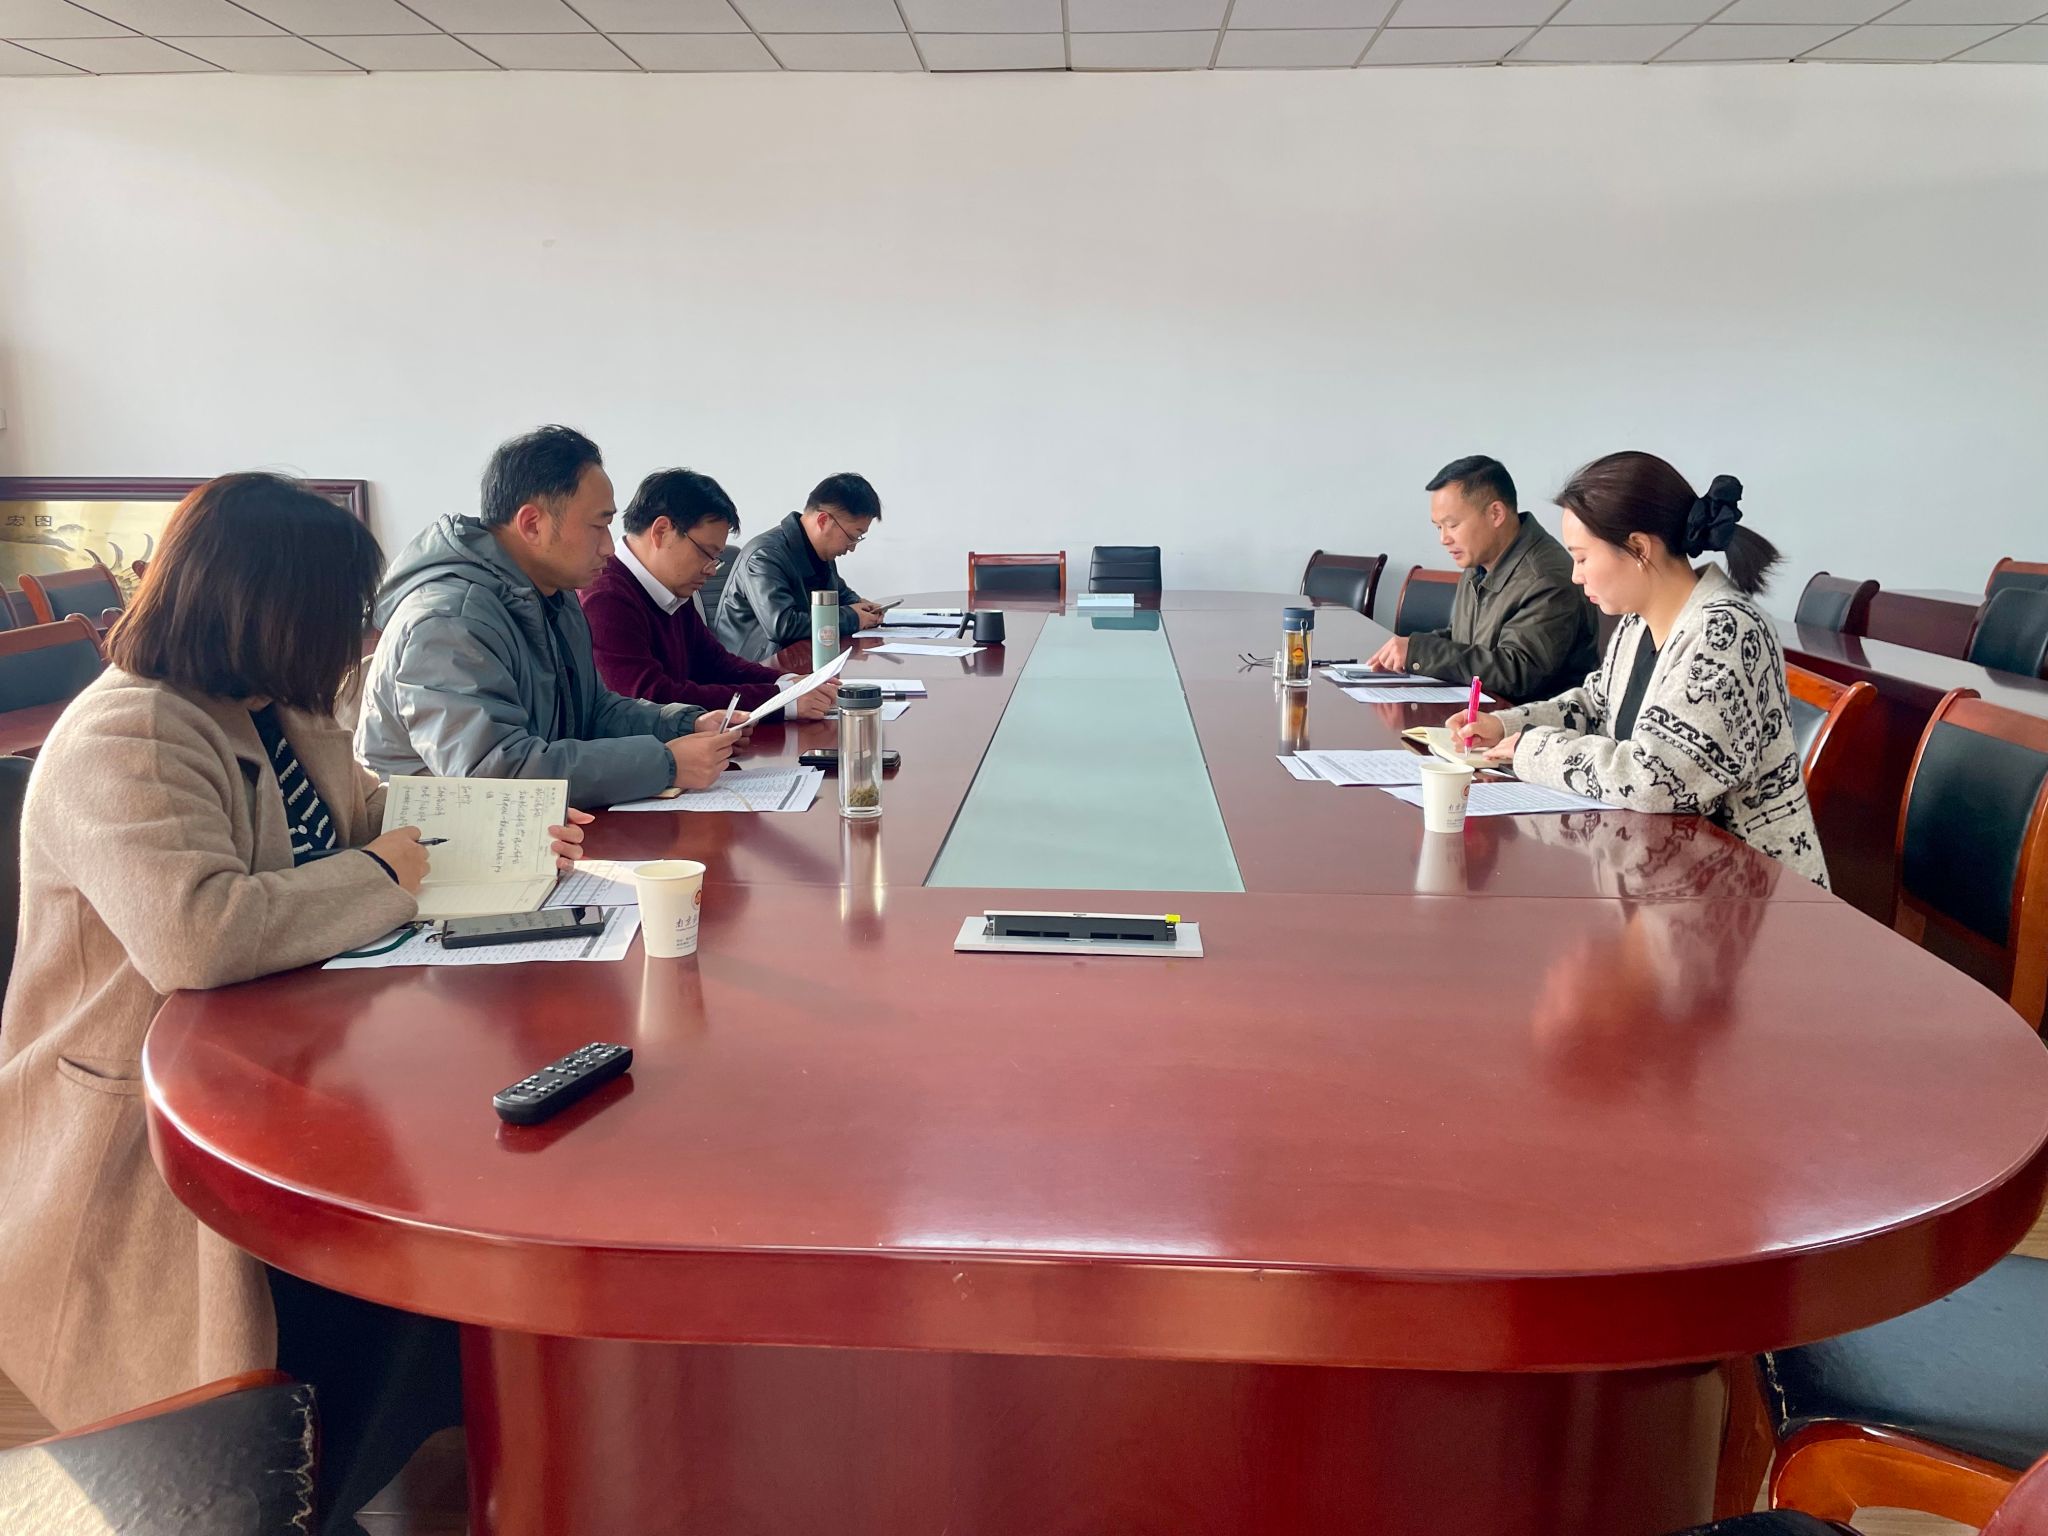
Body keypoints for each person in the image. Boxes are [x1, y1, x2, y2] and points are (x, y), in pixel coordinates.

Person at [0, 473, 589, 1536]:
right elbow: (200, 934)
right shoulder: (130, 735)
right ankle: (308, 1485)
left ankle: (411, 1453)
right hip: (146, 1124)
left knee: (449, 1224)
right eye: (341, 611)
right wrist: (387, 875)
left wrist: (506, 825)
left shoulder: (276, 708)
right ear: (267, 608)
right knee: (383, 1282)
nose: (357, 635)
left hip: (281, 1051)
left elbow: (373, 814)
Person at [1447, 451, 1828, 887]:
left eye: (1582, 558)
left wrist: (1531, 749)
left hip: (1748, 895)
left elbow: (1654, 779)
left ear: (1639, 549)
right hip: (1665, 876)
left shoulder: (1725, 632)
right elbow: (1595, 705)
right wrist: (1506, 725)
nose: (1575, 576)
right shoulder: (1637, 622)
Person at [354, 426, 745, 807]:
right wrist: (667, 764)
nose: (609, 548)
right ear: (532, 524)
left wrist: (685, 724)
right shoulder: (450, 619)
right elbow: (495, 774)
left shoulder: (553, 595)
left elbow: (593, 711)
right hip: (436, 836)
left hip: (531, 827)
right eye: (599, 526)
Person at [582, 467, 837, 720]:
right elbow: (650, 699)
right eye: (706, 553)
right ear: (661, 531)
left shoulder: (670, 586)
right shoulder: (605, 597)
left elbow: (715, 663)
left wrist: (788, 682)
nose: (711, 570)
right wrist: (779, 700)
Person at [1367, 455, 1598, 703]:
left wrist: (1420, 653)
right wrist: (1410, 648)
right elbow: (1464, 640)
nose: (1444, 539)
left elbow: (1517, 672)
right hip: (1480, 712)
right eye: (1438, 527)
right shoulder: (1479, 562)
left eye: (1452, 525)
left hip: (1528, 720)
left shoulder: (1545, 578)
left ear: (1496, 513)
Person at [714, 472, 887, 666]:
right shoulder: (764, 555)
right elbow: (783, 625)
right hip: (752, 666)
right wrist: (853, 618)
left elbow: (840, 594)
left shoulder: (819, 551)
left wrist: (862, 606)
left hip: (799, 658)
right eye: (853, 536)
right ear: (823, 521)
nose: (852, 547)